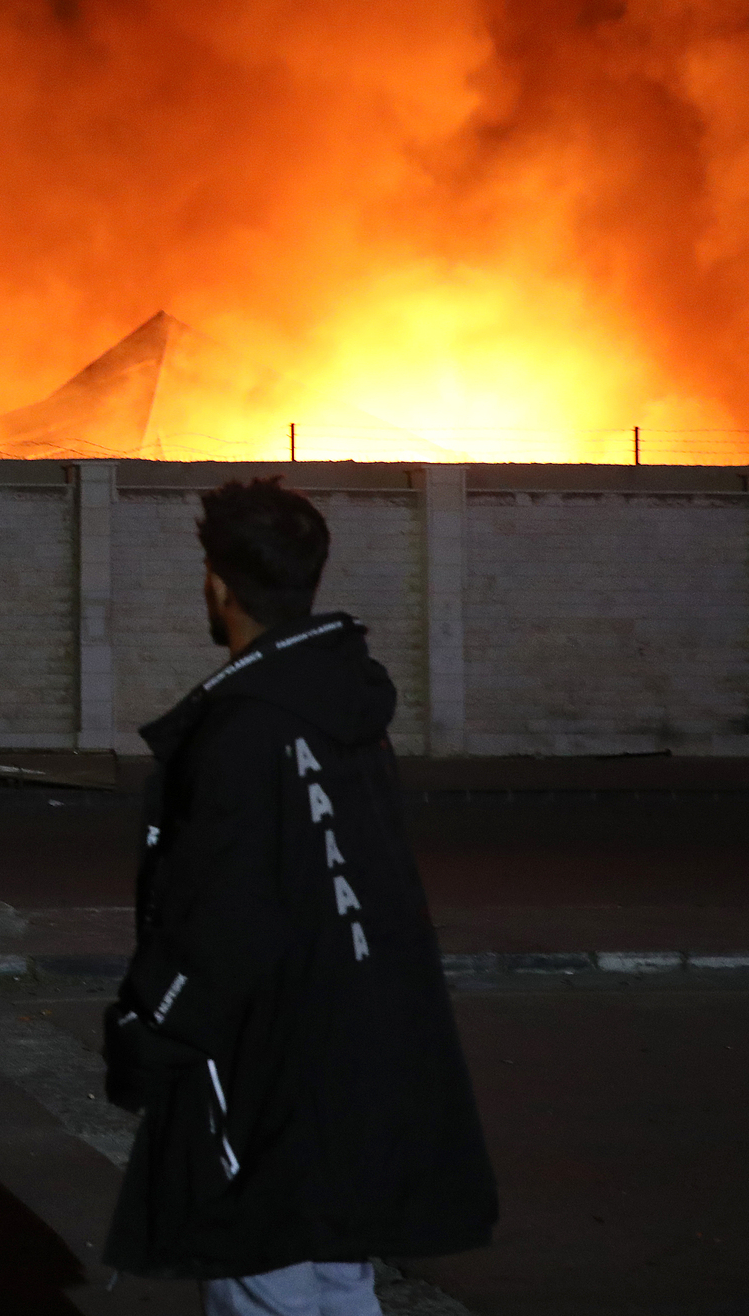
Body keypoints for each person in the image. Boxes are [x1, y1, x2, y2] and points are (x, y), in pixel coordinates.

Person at [102, 478, 496, 1316]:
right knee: (335, 1272)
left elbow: (221, 917)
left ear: (217, 582)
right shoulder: (341, 701)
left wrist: (147, 1029)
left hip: (270, 1069)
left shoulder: (243, 727)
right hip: (360, 1048)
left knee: (264, 1272)